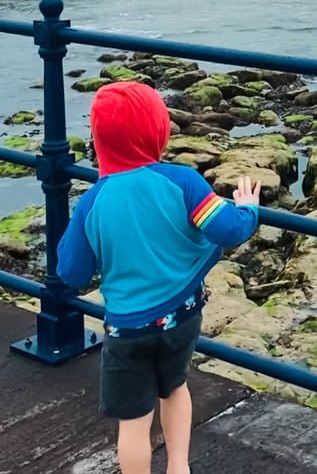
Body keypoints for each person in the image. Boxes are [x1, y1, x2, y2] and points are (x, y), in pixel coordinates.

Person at [57, 80, 261, 474]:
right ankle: (179, 467)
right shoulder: (182, 182)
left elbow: (72, 272)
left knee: (133, 424)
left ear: (98, 138)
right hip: (181, 317)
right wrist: (249, 209)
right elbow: (228, 230)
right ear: (158, 131)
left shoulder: (94, 200)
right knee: (174, 388)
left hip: (127, 331)